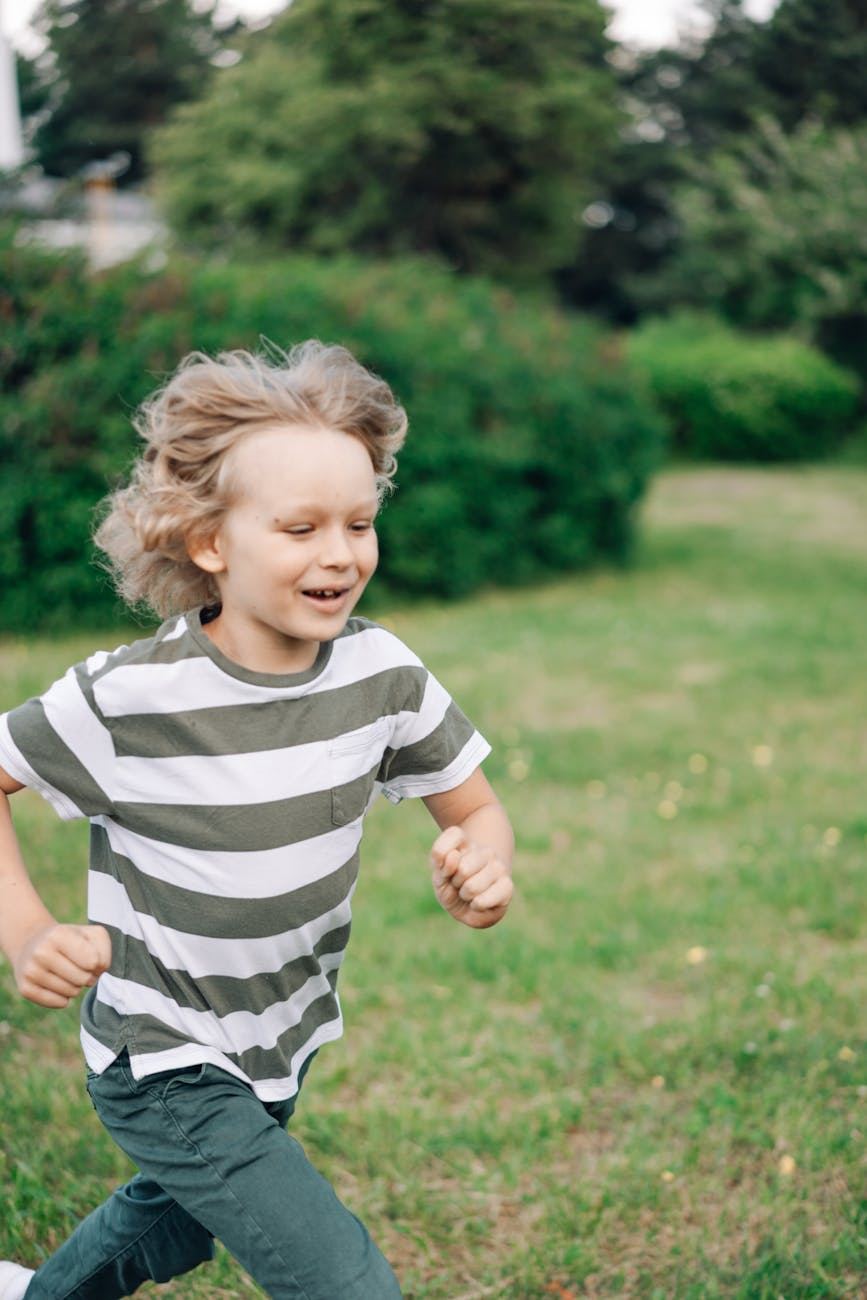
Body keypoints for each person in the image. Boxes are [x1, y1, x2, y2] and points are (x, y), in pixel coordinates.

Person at [0, 341, 514, 1300]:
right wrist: (27, 932)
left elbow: (475, 807)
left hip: (281, 1034)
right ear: (209, 543)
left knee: (170, 1227)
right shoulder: (130, 699)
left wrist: (481, 870)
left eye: (359, 523)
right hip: (161, 1051)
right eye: (301, 526)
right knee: (344, 1282)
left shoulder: (382, 675)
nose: (340, 552)